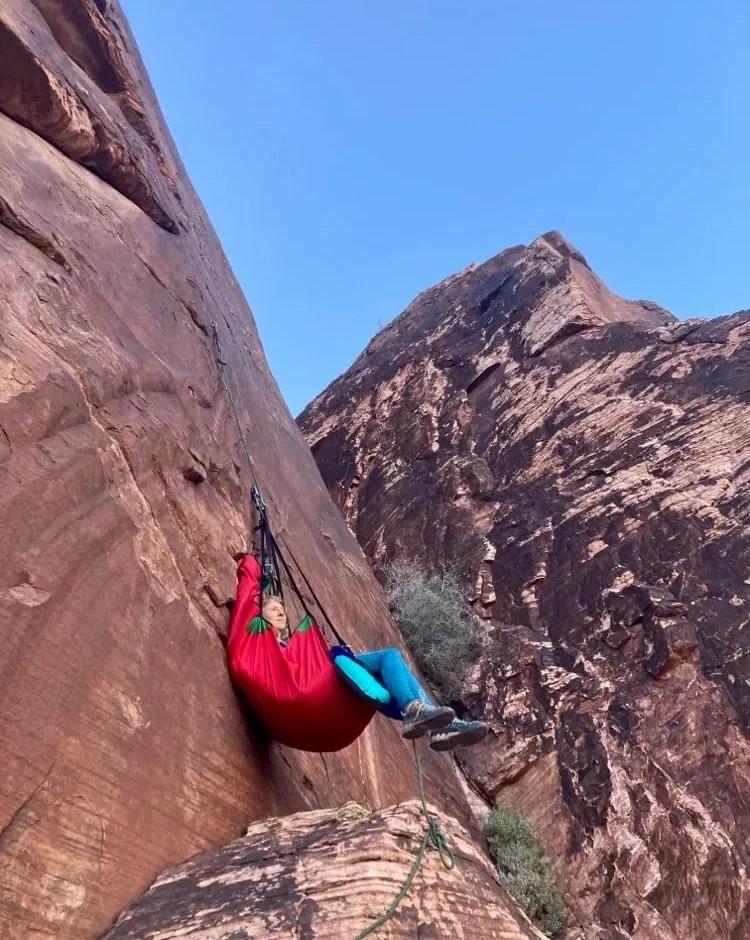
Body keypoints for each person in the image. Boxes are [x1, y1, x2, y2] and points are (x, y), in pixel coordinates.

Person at [261, 594, 488, 751]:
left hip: (326, 667)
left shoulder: (289, 641)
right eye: (274, 609)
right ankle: (419, 714)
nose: (282, 613)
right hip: (321, 671)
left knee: (391, 662)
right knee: (388, 658)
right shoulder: (263, 640)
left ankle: (435, 724)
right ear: (261, 617)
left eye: (282, 610)